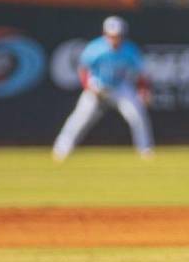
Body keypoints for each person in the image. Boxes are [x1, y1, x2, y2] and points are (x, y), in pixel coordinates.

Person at [53, 16, 153, 162]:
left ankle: (145, 149)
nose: (114, 39)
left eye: (117, 36)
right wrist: (89, 87)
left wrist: (143, 90)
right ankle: (61, 149)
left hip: (119, 87)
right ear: (105, 34)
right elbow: (83, 70)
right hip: (97, 86)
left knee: (136, 114)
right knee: (80, 118)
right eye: (111, 36)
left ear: (123, 35)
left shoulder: (130, 50)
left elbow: (141, 74)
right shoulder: (95, 48)